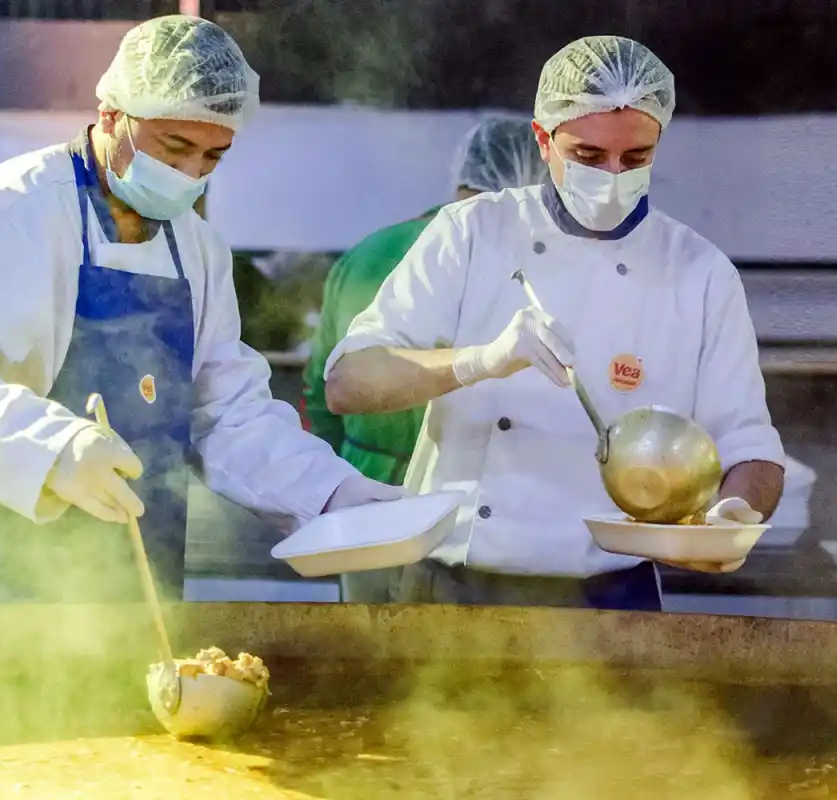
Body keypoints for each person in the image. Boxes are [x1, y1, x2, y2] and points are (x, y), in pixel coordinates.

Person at [0, 16, 401, 611]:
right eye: (174, 148)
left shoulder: (197, 249)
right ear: (111, 115)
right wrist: (52, 448)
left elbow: (227, 413)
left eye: (213, 156)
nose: (190, 174)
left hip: (132, 562)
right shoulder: (11, 207)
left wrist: (333, 493)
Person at [323, 36, 785, 611]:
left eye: (636, 158)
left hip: (613, 593)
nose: (613, 176)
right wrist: (477, 361)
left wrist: (735, 515)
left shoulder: (701, 272)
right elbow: (347, 383)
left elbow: (750, 444)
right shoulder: (472, 232)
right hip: (456, 586)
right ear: (544, 141)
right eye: (589, 157)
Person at [302, 116, 547, 603]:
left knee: (363, 662)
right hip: (456, 511)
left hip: (361, 503)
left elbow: (319, 390)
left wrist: (341, 478)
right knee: (442, 667)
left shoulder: (366, 251)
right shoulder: (518, 265)